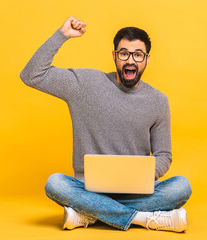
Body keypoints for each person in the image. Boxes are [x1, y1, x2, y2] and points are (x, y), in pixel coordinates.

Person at [20, 16, 192, 232]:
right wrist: (61, 35)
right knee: (55, 183)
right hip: (88, 189)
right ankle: (142, 218)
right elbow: (31, 75)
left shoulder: (158, 101)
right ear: (114, 56)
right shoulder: (84, 84)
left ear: (147, 59)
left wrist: (139, 175)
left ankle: (90, 214)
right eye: (124, 53)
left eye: (138, 55)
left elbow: (164, 155)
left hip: (136, 191)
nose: (131, 60)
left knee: (181, 187)